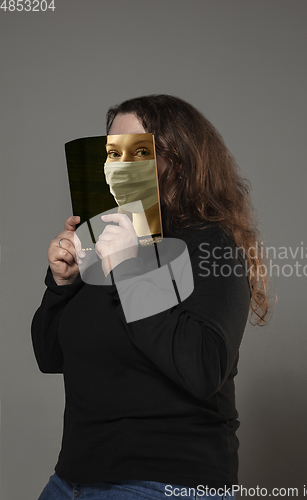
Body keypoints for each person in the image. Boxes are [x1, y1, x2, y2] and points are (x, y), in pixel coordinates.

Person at [32, 95, 270, 499]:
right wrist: (60, 284)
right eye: (111, 151)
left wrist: (130, 270)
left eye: (134, 150)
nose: (117, 163)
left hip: (163, 483)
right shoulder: (104, 240)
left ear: (178, 161)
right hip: (71, 481)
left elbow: (201, 367)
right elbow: (50, 355)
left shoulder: (212, 246)